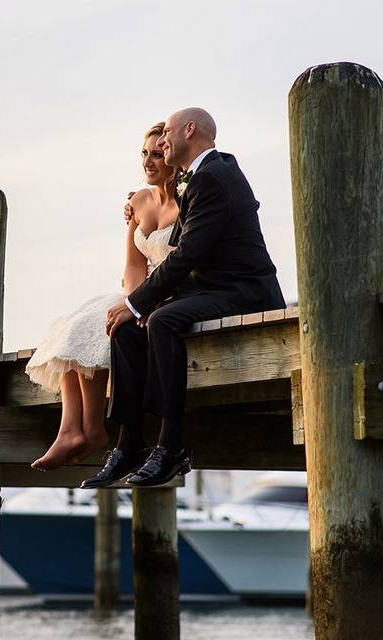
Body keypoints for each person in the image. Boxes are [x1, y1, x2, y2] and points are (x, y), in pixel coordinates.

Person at [81, 107, 286, 489]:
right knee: (127, 331)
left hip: (244, 291)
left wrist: (136, 304)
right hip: (210, 288)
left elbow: (189, 255)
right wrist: (139, 304)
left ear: (189, 130)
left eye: (167, 134)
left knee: (160, 320)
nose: (161, 142)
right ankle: (129, 445)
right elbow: (176, 255)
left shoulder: (214, 176)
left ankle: (171, 446)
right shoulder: (200, 177)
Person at [26, 122, 180, 471]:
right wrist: (132, 300)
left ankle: (93, 429)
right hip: (140, 292)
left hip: (172, 293)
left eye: (158, 154)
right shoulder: (139, 201)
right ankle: (71, 429)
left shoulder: (188, 202)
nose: (149, 162)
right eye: (144, 154)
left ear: (173, 155)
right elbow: (133, 265)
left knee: (98, 322)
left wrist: (143, 303)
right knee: (73, 323)